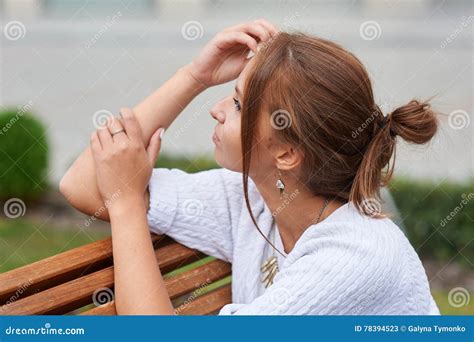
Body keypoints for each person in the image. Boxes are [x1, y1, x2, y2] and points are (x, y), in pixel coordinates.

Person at [60, 19, 440, 315]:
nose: (217, 108)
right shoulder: (254, 196)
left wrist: (127, 203)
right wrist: (194, 77)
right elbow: (81, 185)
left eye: (239, 105)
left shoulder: (352, 261)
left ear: (287, 154)